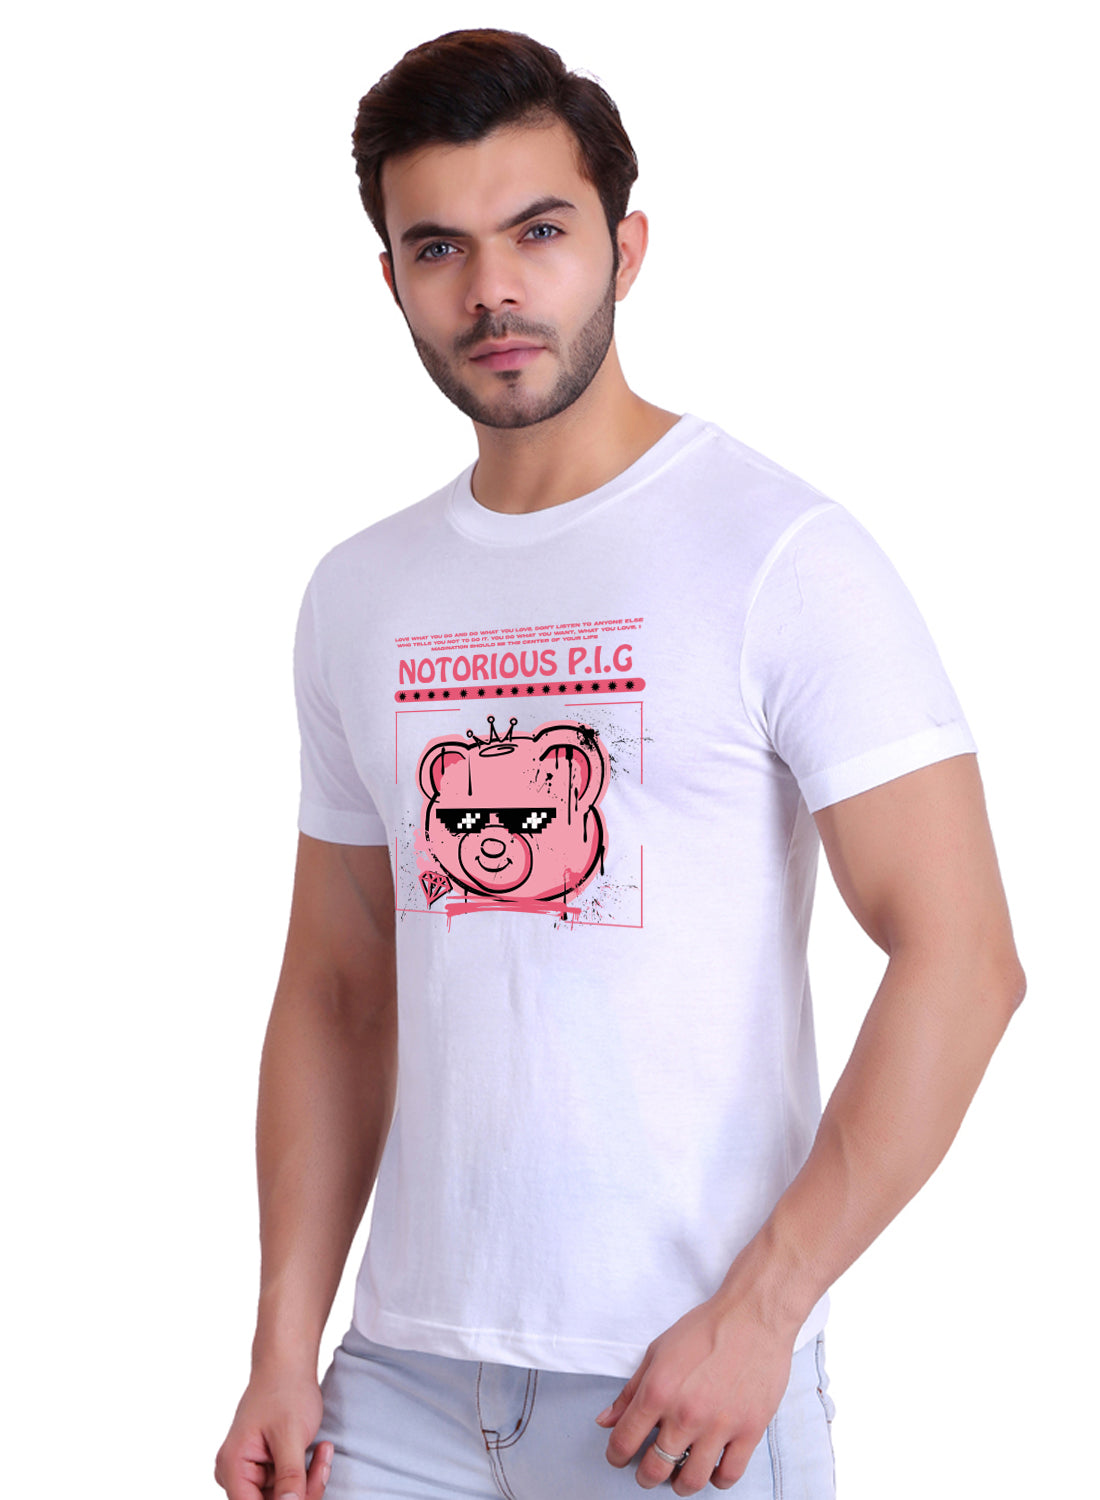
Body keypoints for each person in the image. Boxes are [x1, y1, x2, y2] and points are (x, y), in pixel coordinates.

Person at [215, 28, 1025, 1500]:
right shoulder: (359, 591)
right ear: (392, 280)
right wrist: (284, 1339)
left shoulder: (780, 553)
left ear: (625, 249)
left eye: (539, 231)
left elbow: (964, 960)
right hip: (390, 1386)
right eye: (440, 248)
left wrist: (764, 1310)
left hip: (679, 1390)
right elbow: (337, 989)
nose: (493, 289)